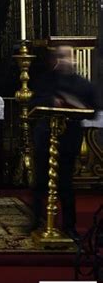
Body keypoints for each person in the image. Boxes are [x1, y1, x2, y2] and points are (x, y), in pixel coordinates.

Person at [30, 45, 98, 240]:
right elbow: (35, 103)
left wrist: (74, 104)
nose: (63, 60)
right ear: (54, 59)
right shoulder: (45, 80)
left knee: (66, 183)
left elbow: (93, 110)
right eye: (60, 56)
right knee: (41, 181)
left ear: (74, 59)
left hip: (69, 137)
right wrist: (52, 102)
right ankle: (37, 220)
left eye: (67, 56)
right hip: (46, 134)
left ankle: (69, 226)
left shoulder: (83, 84)